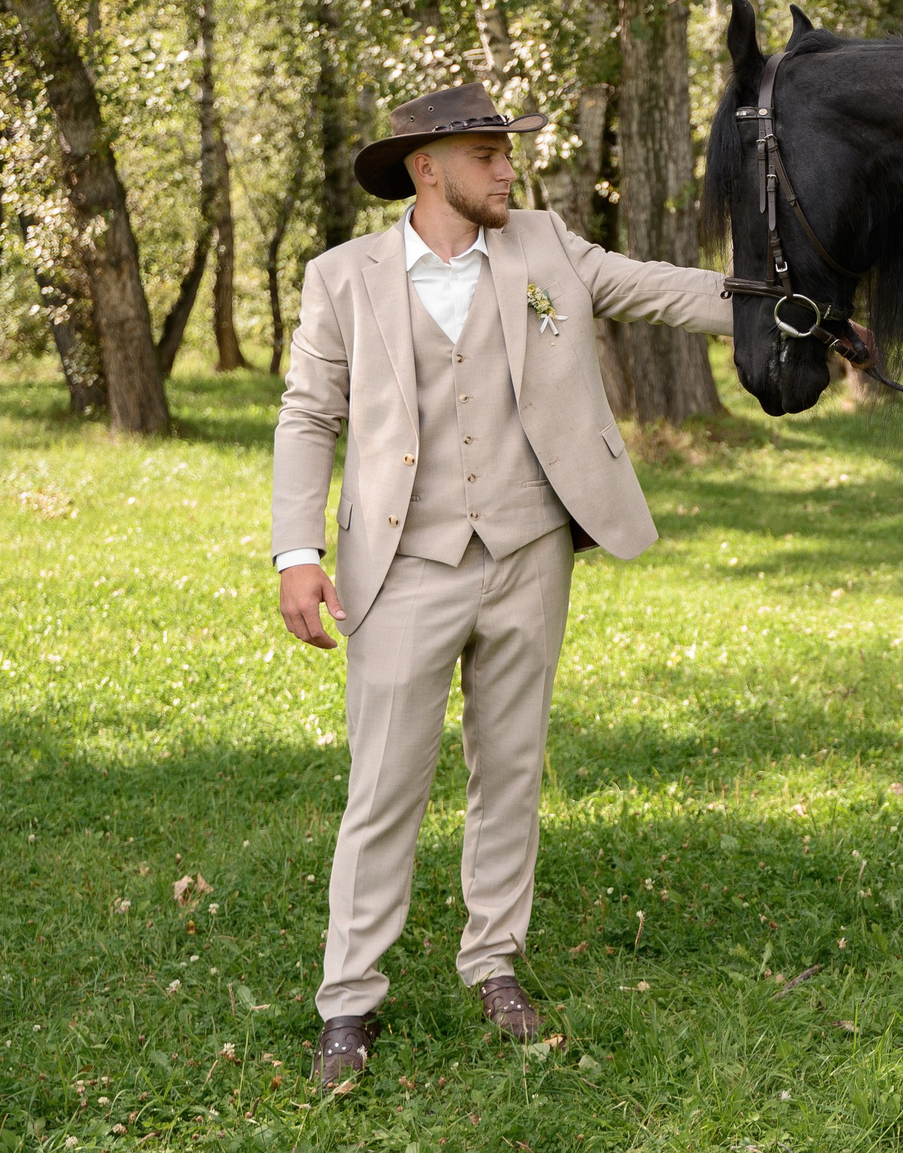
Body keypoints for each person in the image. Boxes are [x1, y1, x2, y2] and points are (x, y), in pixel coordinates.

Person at [270, 82, 737, 1088]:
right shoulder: (342, 277)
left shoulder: (545, 245)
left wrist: (790, 307)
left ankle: (493, 965)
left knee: (510, 770)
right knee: (384, 784)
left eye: (505, 150)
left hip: (527, 548)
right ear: (425, 168)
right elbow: (308, 416)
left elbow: (659, 287)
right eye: (486, 153)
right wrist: (295, 552)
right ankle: (349, 1000)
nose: (505, 168)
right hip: (401, 563)